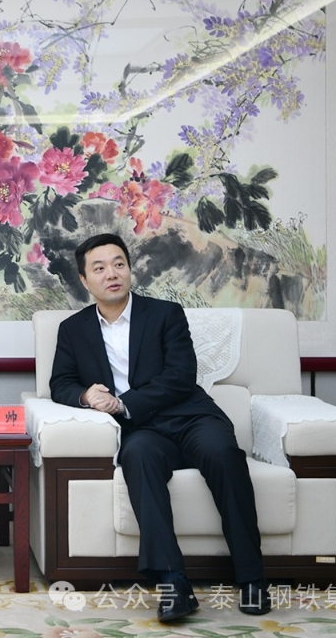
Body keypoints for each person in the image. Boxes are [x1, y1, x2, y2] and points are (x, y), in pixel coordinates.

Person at [49, 232, 271, 623]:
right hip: (142, 431)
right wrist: (86, 395)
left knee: (222, 453)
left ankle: (252, 577)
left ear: (129, 269)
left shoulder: (165, 314)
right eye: (99, 268)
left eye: (118, 264)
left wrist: (124, 403)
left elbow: (181, 376)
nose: (111, 274)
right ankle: (173, 583)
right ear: (84, 280)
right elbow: (60, 383)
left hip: (190, 417)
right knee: (137, 456)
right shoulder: (73, 329)